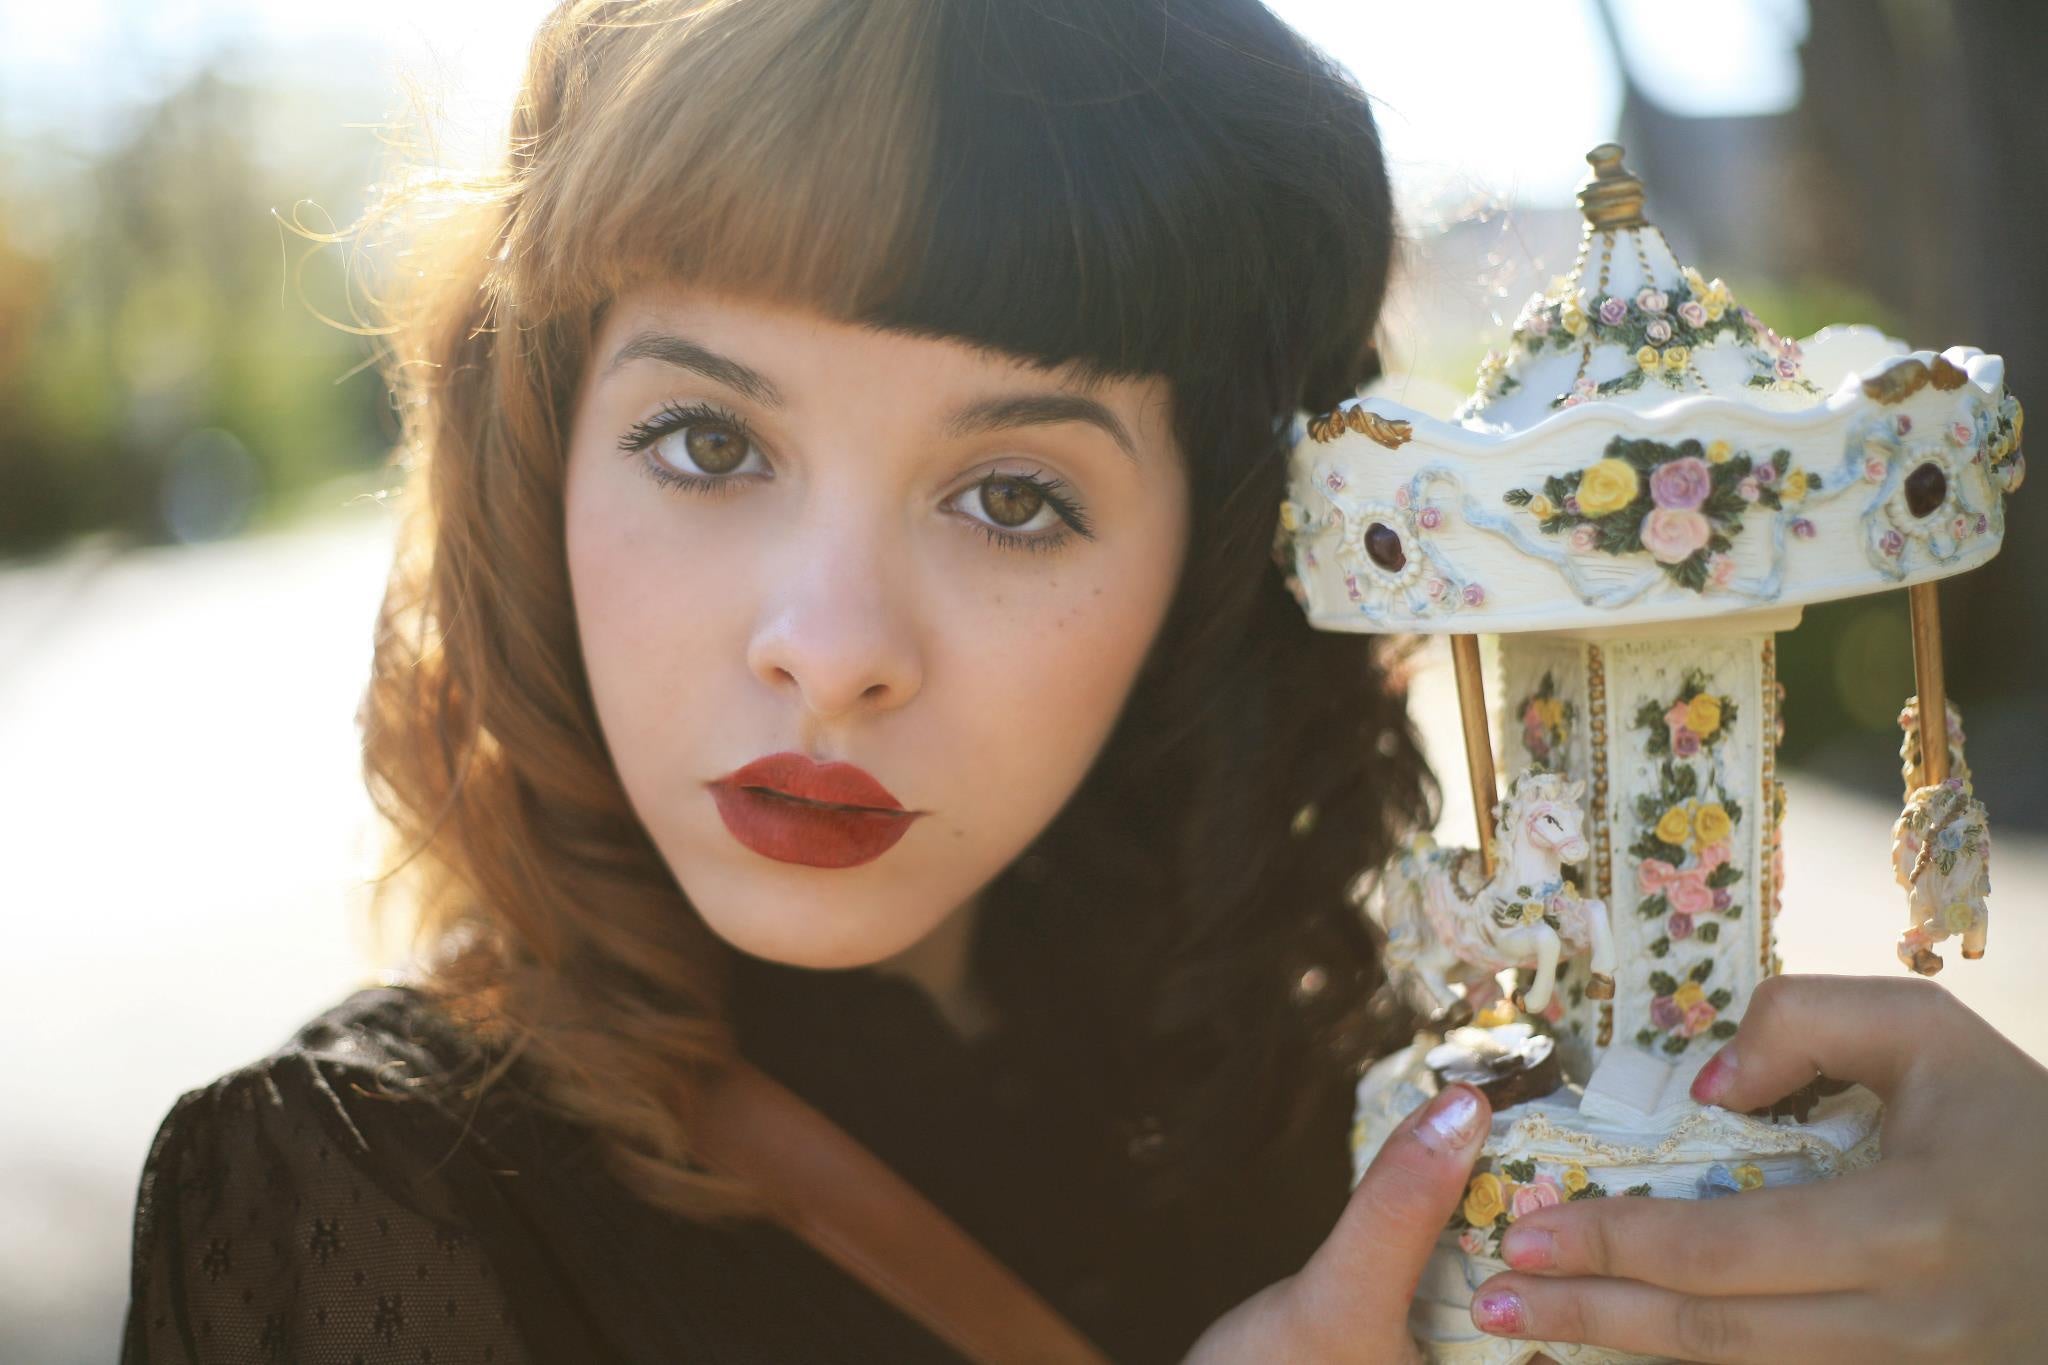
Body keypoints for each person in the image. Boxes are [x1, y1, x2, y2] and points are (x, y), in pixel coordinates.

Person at [117, 2, 2048, 1362]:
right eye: (709, 445)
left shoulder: (1429, 1122)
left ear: (1216, 562)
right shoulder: (353, 1203)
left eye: (1016, 495)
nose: (837, 645)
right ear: (537, 452)